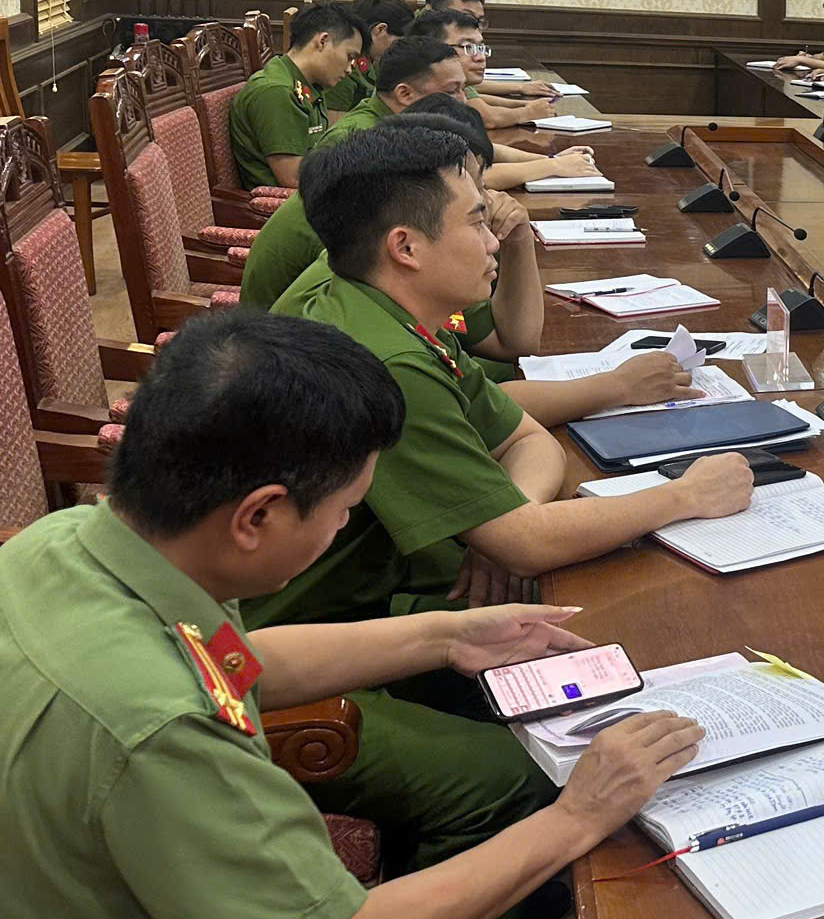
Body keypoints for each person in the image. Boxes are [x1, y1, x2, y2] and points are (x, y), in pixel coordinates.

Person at [0, 310, 706, 919]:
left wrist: (447, 636)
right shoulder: (155, 730)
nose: (344, 527)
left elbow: (234, 660)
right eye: (343, 509)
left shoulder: (72, 544)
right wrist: (582, 813)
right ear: (258, 515)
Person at [258, 126, 754, 633]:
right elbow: (529, 543)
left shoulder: (384, 307)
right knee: (646, 624)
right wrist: (687, 495)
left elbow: (526, 438)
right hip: (314, 635)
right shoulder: (388, 361)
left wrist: (503, 522)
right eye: (476, 222)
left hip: (380, 586)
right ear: (405, 248)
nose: (493, 239)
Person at [242, 105, 544, 374]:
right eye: (477, 190)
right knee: (505, 371)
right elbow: (514, 343)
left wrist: (518, 238)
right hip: (273, 358)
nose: (489, 200)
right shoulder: (374, 245)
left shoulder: (379, 227)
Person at [233, 3, 366, 189]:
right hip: (283, 202)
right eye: (349, 56)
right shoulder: (277, 91)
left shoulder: (305, 84)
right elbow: (293, 178)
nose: (350, 68)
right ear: (323, 41)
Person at [405, 9, 574, 153]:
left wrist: (552, 161)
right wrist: (526, 112)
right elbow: (488, 119)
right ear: (431, 47)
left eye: (481, 47)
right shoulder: (427, 90)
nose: (480, 57)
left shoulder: (457, 86)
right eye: (468, 47)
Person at [318, 35, 469, 144]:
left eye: (463, 89)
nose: (464, 101)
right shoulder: (352, 139)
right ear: (405, 94)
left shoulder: (418, 127)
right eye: (451, 91)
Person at [326, 0, 415, 114]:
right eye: (398, 42)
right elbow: (332, 119)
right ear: (380, 30)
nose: (400, 49)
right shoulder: (345, 65)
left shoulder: (371, 60)